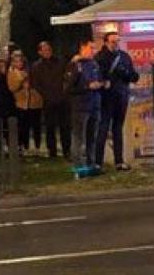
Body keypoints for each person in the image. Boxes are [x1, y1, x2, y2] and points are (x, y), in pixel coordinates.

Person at [94, 31, 139, 171]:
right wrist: (103, 81)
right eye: (113, 41)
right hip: (106, 98)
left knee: (118, 128)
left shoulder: (124, 56)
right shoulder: (100, 57)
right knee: (103, 128)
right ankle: (98, 162)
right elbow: (96, 76)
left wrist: (126, 72)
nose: (116, 44)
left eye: (118, 41)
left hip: (121, 96)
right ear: (106, 42)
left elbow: (134, 76)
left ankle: (119, 161)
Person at [66, 37, 105, 176]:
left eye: (94, 48)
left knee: (92, 137)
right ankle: (79, 167)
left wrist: (101, 84)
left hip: (94, 105)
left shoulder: (94, 64)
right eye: (91, 48)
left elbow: (99, 78)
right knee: (79, 137)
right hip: (81, 107)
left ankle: (91, 164)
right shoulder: (76, 65)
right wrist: (86, 86)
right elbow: (68, 87)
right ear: (82, 48)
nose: (93, 51)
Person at [31, 41, 70, 158]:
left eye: (48, 49)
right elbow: (36, 84)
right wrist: (46, 95)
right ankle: (52, 150)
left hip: (62, 99)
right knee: (50, 126)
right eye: (44, 50)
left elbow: (67, 77)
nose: (47, 51)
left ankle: (66, 149)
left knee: (65, 126)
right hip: (48, 100)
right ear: (39, 52)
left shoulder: (60, 62)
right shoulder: (36, 66)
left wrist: (64, 91)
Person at [7, 51, 44, 154]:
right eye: (16, 61)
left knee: (36, 125)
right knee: (24, 126)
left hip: (34, 102)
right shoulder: (11, 73)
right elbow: (12, 87)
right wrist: (21, 82)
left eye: (20, 61)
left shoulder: (29, 71)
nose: (19, 63)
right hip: (21, 103)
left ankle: (37, 146)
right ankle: (24, 146)